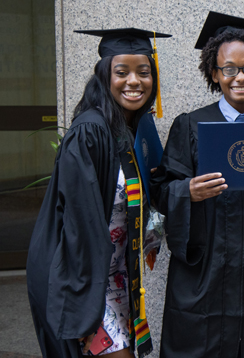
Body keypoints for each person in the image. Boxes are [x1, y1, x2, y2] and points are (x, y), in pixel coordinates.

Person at [150, 12, 244, 358]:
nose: (240, 77)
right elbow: (160, 191)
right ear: (214, 73)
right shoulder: (190, 126)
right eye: (229, 69)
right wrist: (186, 191)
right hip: (204, 276)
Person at [27, 28, 171, 358]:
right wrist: (85, 310)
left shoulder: (135, 129)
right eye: (122, 72)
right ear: (105, 76)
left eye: (143, 72)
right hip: (80, 275)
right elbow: (79, 224)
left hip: (115, 275)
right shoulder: (90, 131)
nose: (134, 81)